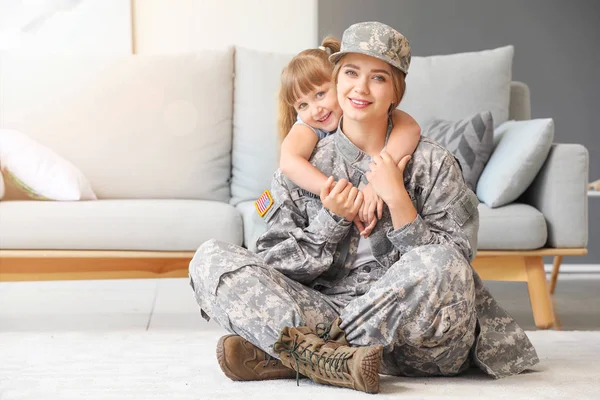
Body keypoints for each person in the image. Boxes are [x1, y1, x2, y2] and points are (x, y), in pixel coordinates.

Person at [189, 21, 539, 394]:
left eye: (378, 78)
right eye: (351, 73)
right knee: (209, 258)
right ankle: (332, 359)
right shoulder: (302, 166)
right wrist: (330, 221)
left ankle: (298, 353)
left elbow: (454, 268)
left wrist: (398, 201)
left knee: (442, 262)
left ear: (395, 93)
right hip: (328, 307)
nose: (360, 87)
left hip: (417, 339)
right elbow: (273, 263)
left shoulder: (433, 162)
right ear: (337, 81)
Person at [277, 36, 421, 237]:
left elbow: (410, 128)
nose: (315, 110)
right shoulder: (307, 127)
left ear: (338, 83)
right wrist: (342, 196)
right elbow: (288, 162)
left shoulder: (362, 107)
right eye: (303, 105)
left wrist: (378, 182)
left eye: (320, 94)